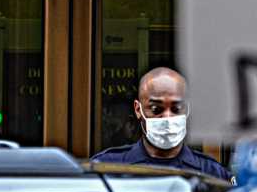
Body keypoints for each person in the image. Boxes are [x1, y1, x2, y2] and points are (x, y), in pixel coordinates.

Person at [89, 66, 233, 182]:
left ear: (188, 109)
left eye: (177, 108)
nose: (167, 117)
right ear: (138, 110)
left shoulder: (212, 174)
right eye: (156, 109)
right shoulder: (107, 169)